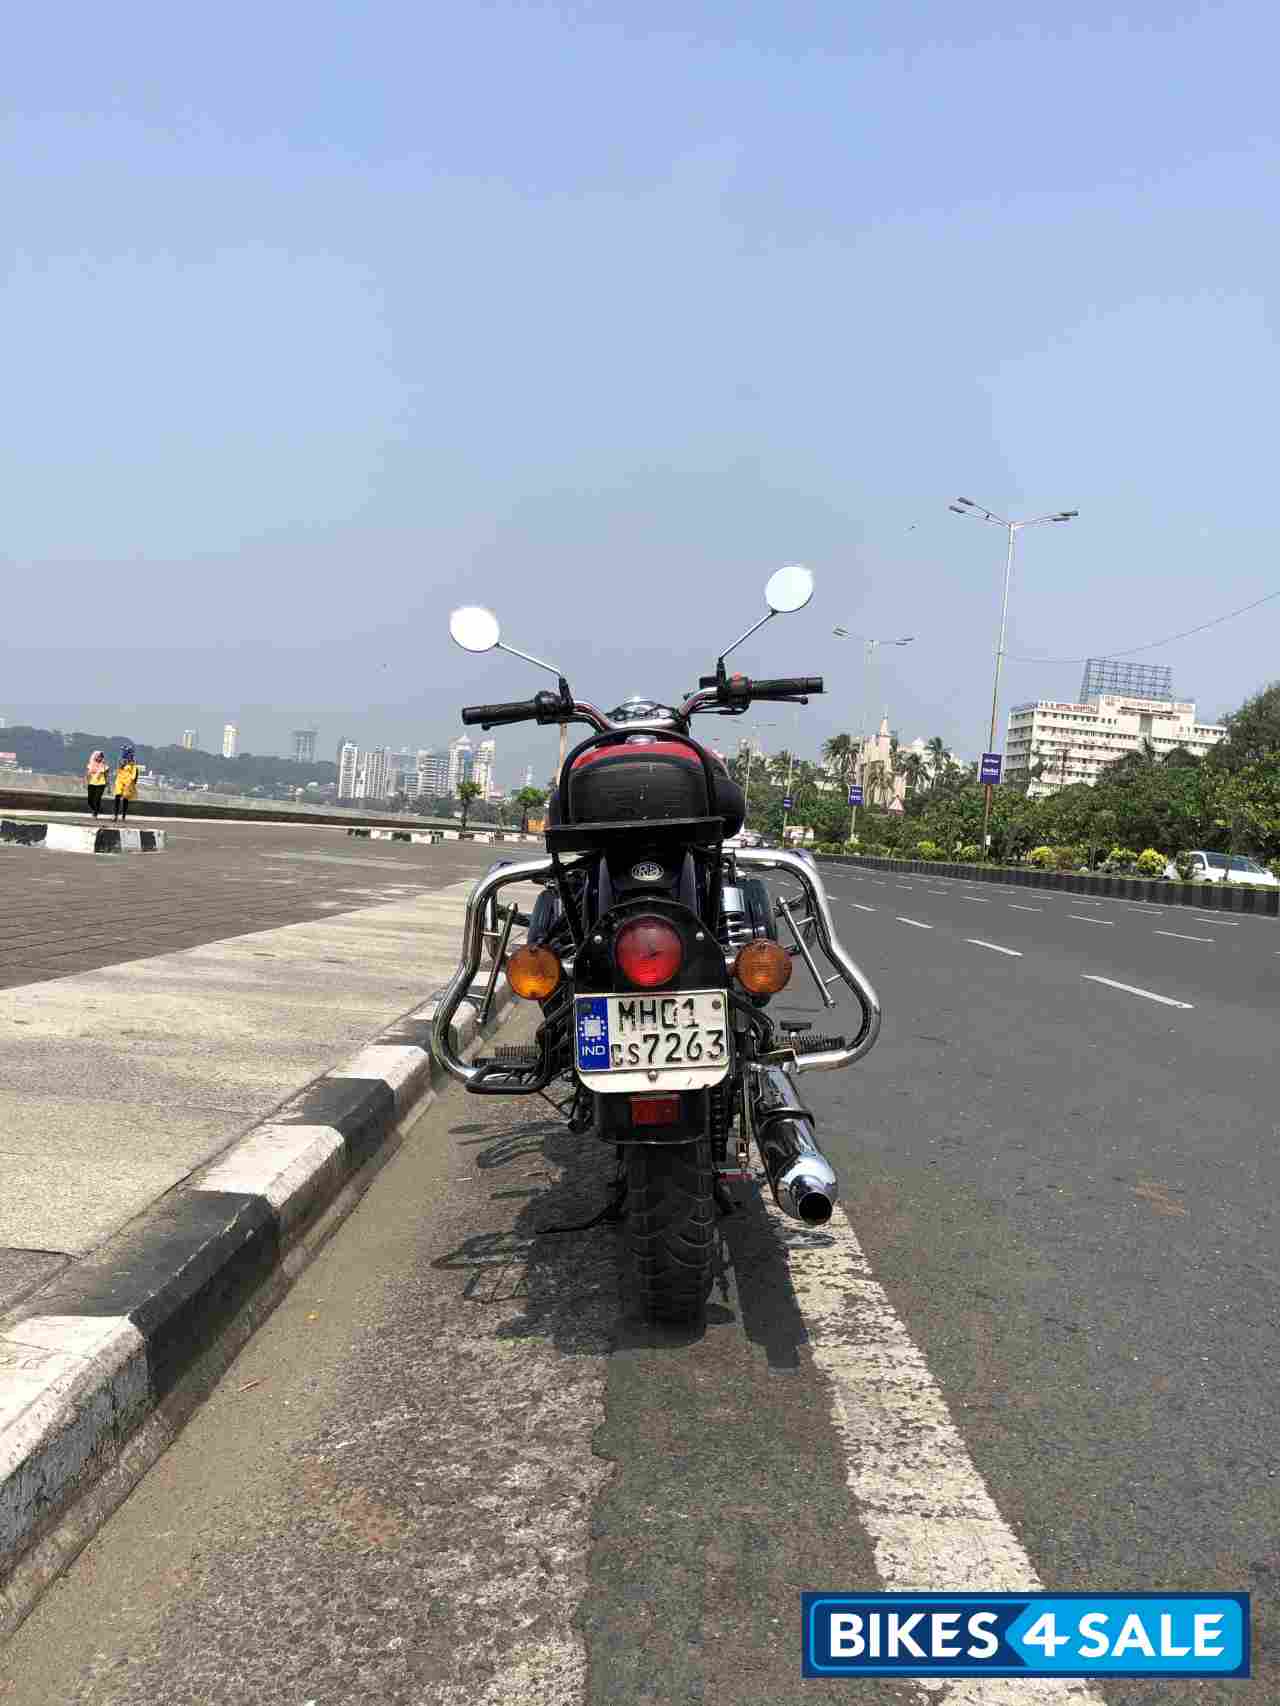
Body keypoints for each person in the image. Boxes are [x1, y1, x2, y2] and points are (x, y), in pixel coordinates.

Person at [112, 745, 139, 822]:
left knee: (125, 798)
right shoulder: (121, 760)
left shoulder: (133, 763)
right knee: (117, 795)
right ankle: (115, 815)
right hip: (120, 780)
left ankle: (123, 815)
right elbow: (119, 767)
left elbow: (135, 772)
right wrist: (123, 763)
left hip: (128, 782)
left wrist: (133, 782)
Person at [85, 750, 109, 818]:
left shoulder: (104, 766)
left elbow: (106, 776)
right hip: (92, 783)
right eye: (98, 757)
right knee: (90, 800)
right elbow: (87, 774)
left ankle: (95, 813)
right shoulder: (91, 764)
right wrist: (86, 782)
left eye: (101, 757)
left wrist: (108, 787)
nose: (100, 758)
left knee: (97, 798)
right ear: (95, 757)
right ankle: (95, 809)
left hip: (101, 784)